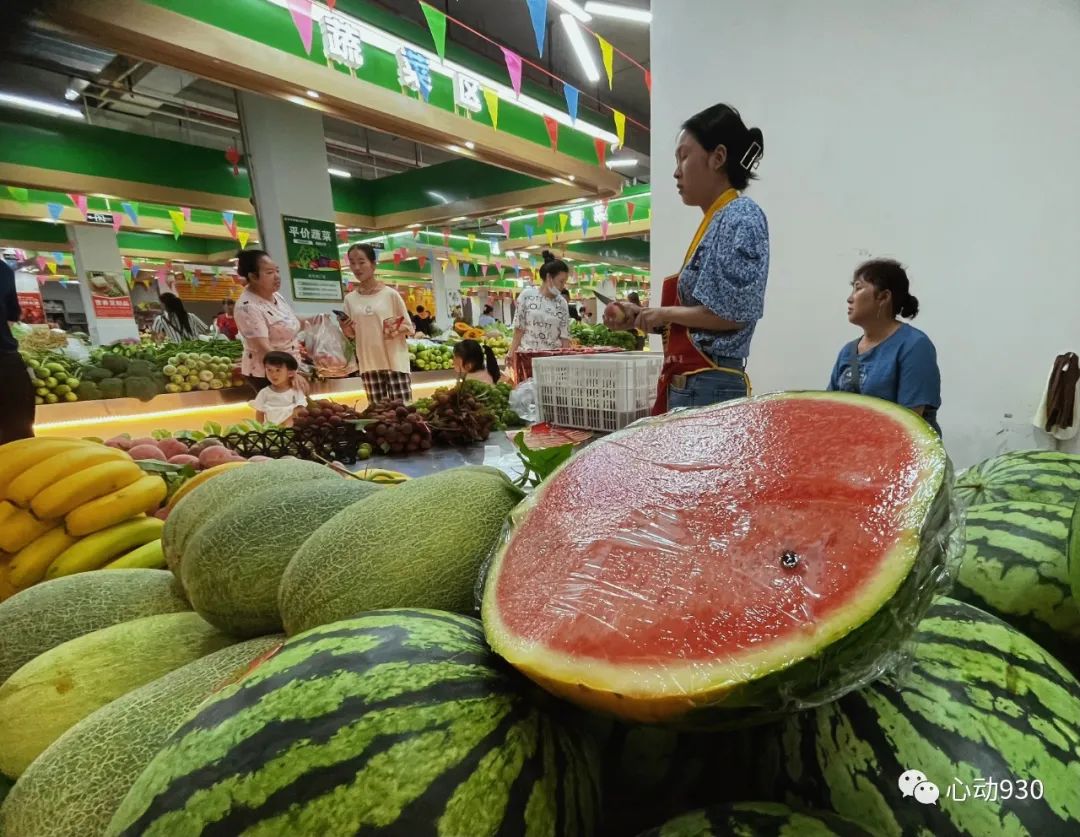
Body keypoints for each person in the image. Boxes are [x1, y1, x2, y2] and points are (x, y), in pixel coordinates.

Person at [606, 103, 769, 413]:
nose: (676, 171)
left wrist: (665, 313)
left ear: (717, 157)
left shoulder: (740, 215)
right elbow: (700, 322)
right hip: (695, 383)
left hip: (707, 386)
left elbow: (734, 314)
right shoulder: (718, 218)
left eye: (684, 156)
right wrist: (643, 316)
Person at [828, 259, 941, 434]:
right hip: (852, 455)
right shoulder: (847, 352)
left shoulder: (914, 346)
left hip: (900, 456)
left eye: (858, 288)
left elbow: (911, 425)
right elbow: (829, 411)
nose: (850, 298)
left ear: (884, 297)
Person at [341, 243, 415, 404]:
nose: (357, 267)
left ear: (373, 264)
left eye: (361, 262)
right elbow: (352, 335)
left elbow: (409, 327)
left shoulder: (390, 295)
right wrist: (345, 328)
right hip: (368, 364)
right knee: (378, 418)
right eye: (352, 263)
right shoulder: (350, 299)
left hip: (395, 362)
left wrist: (394, 330)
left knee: (404, 416)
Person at [233, 249, 308, 393]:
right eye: (269, 273)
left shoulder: (277, 297)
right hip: (269, 373)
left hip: (289, 367)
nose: (277, 277)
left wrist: (317, 320)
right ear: (253, 276)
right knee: (278, 411)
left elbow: (287, 322)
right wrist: (289, 372)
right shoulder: (248, 307)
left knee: (296, 411)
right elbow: (264, 348)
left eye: (277, 271)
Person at [509, 251, 571, 368]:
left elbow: (564, 336)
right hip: (527, 358)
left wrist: (566, 362)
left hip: (552, 361)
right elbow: (519, 329)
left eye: (565, 282)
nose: (563, 286)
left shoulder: (561, 302)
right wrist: (511, 353)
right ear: (549, 277)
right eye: (561, 281)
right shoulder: (527, 295)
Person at [1, 257, 35, 442]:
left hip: (5, 364)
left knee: (17, 439)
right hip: (6, 363)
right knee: (16, 439)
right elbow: (12, 317)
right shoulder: (3, 269)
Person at [251, 350, 306, 427]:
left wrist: (285, 424)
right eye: (269, 370)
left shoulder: (295, 391)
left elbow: (300, 409)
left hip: (292, 430)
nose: (273, 374)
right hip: (272, 433)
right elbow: (259, 413)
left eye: (278, 370)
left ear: (290, 373)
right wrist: (260, 429)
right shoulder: (264, 393)